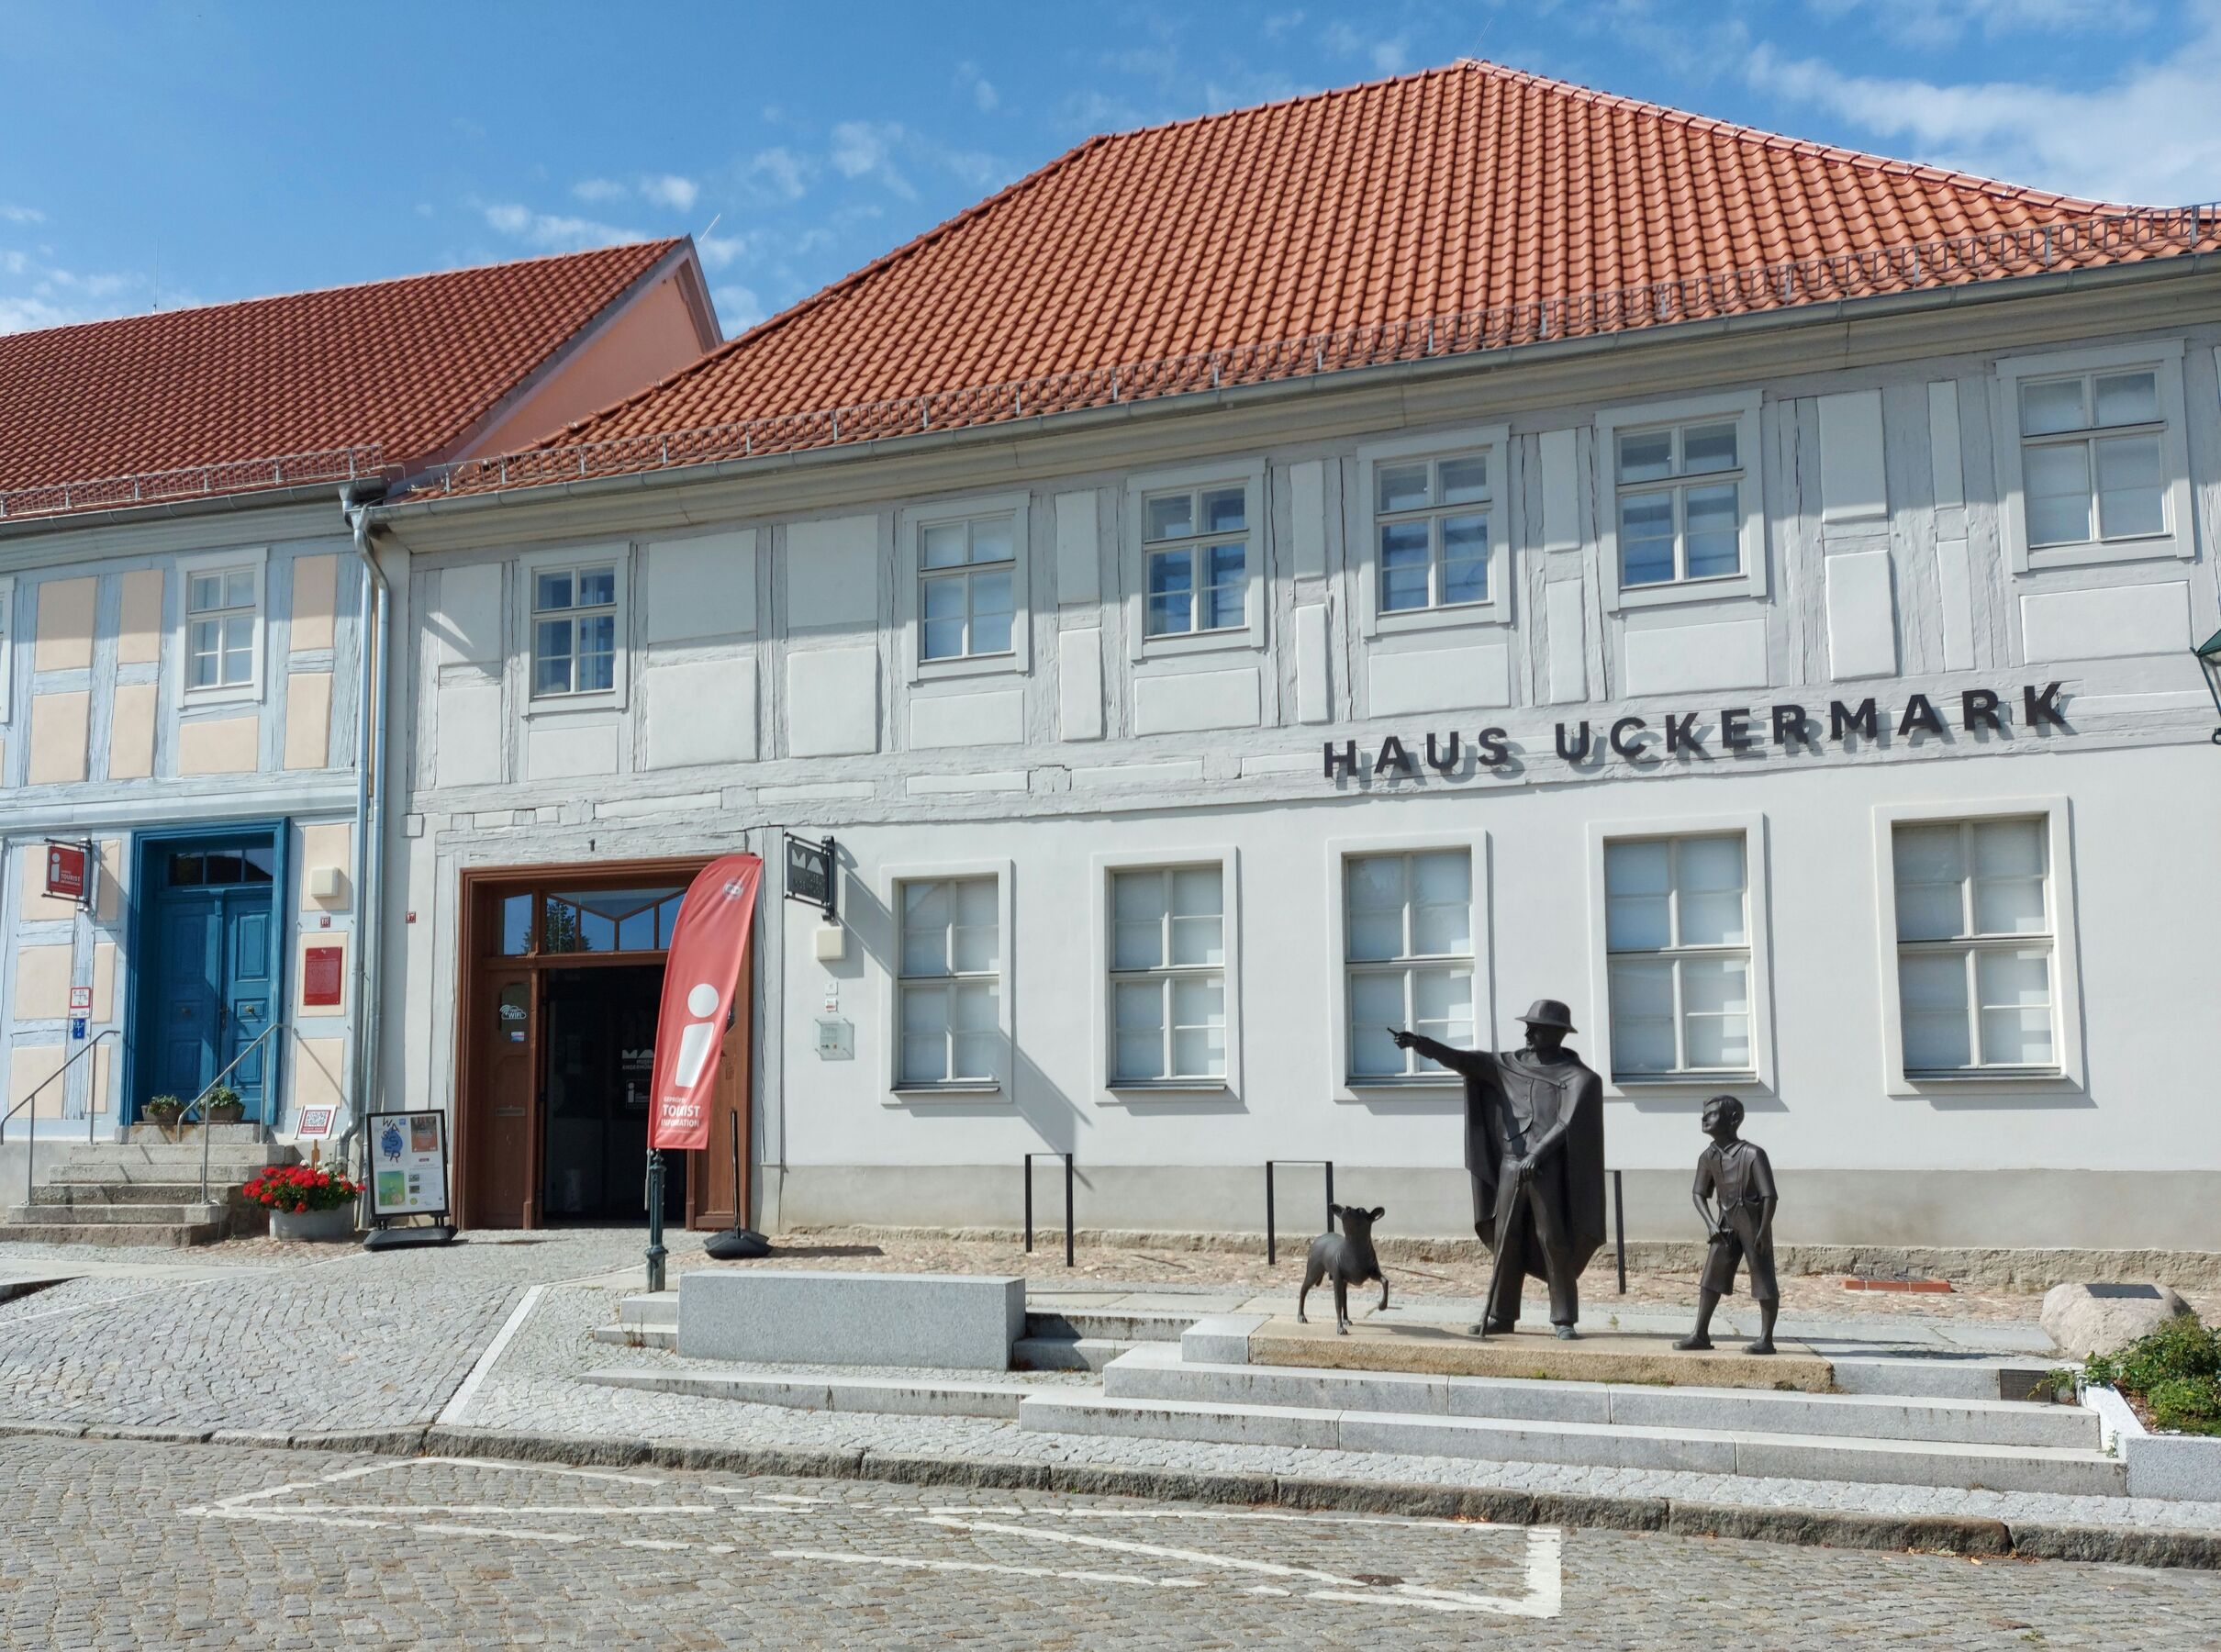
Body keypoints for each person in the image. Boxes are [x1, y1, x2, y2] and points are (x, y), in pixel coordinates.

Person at [1393, 999, 1605, 1339]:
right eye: (1528, 1027)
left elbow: (1567, 1122)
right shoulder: (1507, 1065)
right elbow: (1464, 1061)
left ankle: (1564, 1318)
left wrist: (1538, 1153)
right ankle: (1502, 1314)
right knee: (1507, 1239)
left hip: (1545, 1171)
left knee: (1553, 1239)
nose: (1527, 1033)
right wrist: (1422, 1044)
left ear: (1556, 1034)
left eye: (1535, 1028)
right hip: (1510, 1165)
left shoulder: (1579, 1078)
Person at [1674, 1094, 1780, 1356]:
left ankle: (1766, 1339)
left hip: (1753, 1223)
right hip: (1724, 1224)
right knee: (1711, 1277)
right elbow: (1699, 1193)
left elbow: (1770, 1195)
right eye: (1704, 1113)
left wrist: (1764, 1230)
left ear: (1733, 1119)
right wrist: (1710, 1223)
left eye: (1712, 1114)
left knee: (1763, 1277)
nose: (1704, 1118)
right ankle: (1700, 1333)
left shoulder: (1753, 1154)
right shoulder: (1708, 1156)